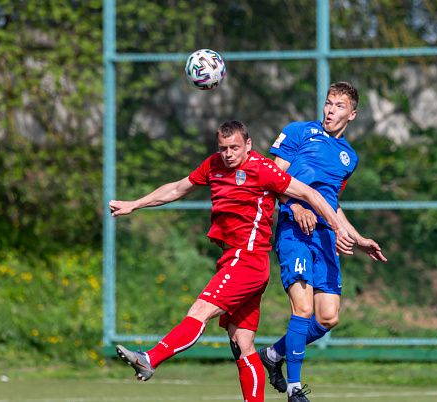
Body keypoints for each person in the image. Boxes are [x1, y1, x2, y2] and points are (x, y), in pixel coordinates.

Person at [110, 120, 354, 402]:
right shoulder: (213, 164)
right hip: (235, 260)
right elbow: (177, 188)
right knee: (243, 344)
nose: (228, 154)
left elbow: (309, 193)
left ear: (248, 145)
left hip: (247, 260)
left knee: (199, 310)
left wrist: (337, 228)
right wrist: (134, 204)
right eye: (223, 148)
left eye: (234, 148)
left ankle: (150, 358)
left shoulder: (263, 168)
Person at [258, 82, 387, 402]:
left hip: (326, 237)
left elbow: (333, 205)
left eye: (338, 106)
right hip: (293, 230)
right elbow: (275, 180)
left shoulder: (349, 158)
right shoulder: (298, 132)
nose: (330, 110)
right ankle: (294, 389)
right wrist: (297, 206)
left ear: (352, 114)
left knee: (328, 317)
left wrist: (357, 239)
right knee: (302, 309)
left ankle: (273, 355)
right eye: (328, 103)